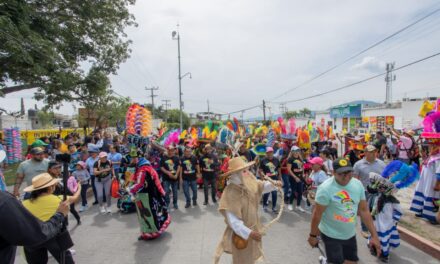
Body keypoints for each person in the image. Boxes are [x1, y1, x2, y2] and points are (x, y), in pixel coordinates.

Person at [308, 158, 381, 264]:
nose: (346, 177)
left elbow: (364, 210)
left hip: (350, 234)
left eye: (349, 172)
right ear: (333, 173)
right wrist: (313, 236)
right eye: (341, 174)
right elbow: (317, 214)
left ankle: (326, 261)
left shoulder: (357, 185)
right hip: (330, 235)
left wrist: (374, 236)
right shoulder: (325, 189)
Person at [214, 157, 282, 264]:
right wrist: (249, 233)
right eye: (244, 171)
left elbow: (260, 186)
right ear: (236, 174)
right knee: (242, 259)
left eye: (247, 170)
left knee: (251, 258)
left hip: (253, 230)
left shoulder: (247, 184)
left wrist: (274, 185)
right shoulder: (231, 192)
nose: (248, 173)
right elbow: (233, 222)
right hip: (241, 234)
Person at [22, 173, 81, 264]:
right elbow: (75, 197)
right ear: (50, 188)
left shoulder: (24, 203)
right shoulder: (59, 199)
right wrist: (79, 186)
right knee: (65, 259)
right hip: (55, 235)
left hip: (34, 237)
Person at [0, 191, 69, 264]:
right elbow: (36, 234)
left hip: (32, 245)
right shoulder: (5, 201)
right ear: (51, 188)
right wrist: (60, 215)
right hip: (47, 234)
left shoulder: (25, 202)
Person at [127, 156, 171, 240]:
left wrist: (129, 190)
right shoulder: (141, 167)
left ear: (137, 159)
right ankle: (145, 232)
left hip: (148, 196)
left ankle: (153, 232)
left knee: (149, 214)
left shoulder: (143, 169)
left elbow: (140, 184)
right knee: (143, 215)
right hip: (143, 195)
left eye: (133, 158)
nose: (131, 160)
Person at [353, 145, 386, 237]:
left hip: (379, 191)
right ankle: (364, 229)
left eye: (374, 152)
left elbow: (385, 177)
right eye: (370, 152)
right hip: (364, 191)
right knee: (365, 210)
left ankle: (377, 228)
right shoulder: (358, 164)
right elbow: (355, 179)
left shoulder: (381, 164)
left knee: (378, 210)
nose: (373, 154)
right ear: (365, 152)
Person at [410, 143, 440, 224]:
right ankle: (420, 210)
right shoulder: (432, 156)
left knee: (432, 197)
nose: (431, 148)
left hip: (432, 182)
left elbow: (439, 172)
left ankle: (432, 216)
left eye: (433, 146)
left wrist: (438, 184)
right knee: (423, 193)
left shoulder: (438, 157)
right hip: (425, 181)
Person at [259, 147, 281, 213]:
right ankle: (264, 205)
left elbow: (279, 169)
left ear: (273, 152)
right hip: (267, 180)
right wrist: (263, 177)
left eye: (271, 152)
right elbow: (260, 170)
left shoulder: (276, 160)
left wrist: (280, 178)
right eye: (268, 152)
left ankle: (274, 207)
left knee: (274, 194)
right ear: (266, 153)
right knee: (266, 193)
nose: (270, 154)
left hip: (274, 179)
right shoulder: (263, 160)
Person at [160, 145, 181, 209]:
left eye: (173, 150)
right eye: (170, 150)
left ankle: (175, 203)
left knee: (175, 192)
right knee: (166, 191)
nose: (172, 151)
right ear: (168, 150)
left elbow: (179, 167)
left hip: (174, 178)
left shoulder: (177, 158)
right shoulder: (163, 158)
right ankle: (167, 203)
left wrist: (176, 175)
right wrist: (168, 172)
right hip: (166, 178)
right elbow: (161, 167)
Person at [287, 146, 305, 212]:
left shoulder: (300, 158)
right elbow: (289, 170)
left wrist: (303, 173)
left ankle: (298, 206)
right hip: (293, 177)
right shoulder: (290, 159)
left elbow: (302, 167)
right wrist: (295, 177)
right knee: (293, 190)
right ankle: (290, 204)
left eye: (298, 151)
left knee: (300, 192)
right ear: (292, 152)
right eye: (295, 151)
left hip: (300, 177)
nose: (296, 152)